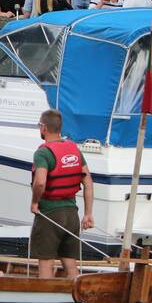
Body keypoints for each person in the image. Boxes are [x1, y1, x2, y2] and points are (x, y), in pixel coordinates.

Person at [30, 109, 93, 279]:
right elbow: (88, 181)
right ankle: (79, 298)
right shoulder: (74, 150)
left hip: (50, 214)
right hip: (71, 214)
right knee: (70, 262)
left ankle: (44, 301)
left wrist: (35, 202)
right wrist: (88, 214)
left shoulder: (43, 153)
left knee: (46, 262)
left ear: (44, 128)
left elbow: (40, 181)